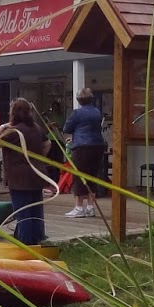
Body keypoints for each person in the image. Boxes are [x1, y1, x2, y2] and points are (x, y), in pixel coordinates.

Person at [0, 97, 51, 244]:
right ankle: (38, 241)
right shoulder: (36, 127)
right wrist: (39, 157)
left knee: (23, 212)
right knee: (35, 211)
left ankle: (25, 244)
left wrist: (2, 127)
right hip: (36, 174)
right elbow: (47, 143)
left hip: (19, 177)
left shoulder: (13, 131)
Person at [62, 90, 106, 218]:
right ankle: (90, 207)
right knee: (92, 175)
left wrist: (75, 135)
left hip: (82, 146)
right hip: (98, 145)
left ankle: (79, 207)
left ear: (78, 100)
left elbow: (66, 128)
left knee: (79, 175)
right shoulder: (97, 112)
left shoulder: (77, 113)